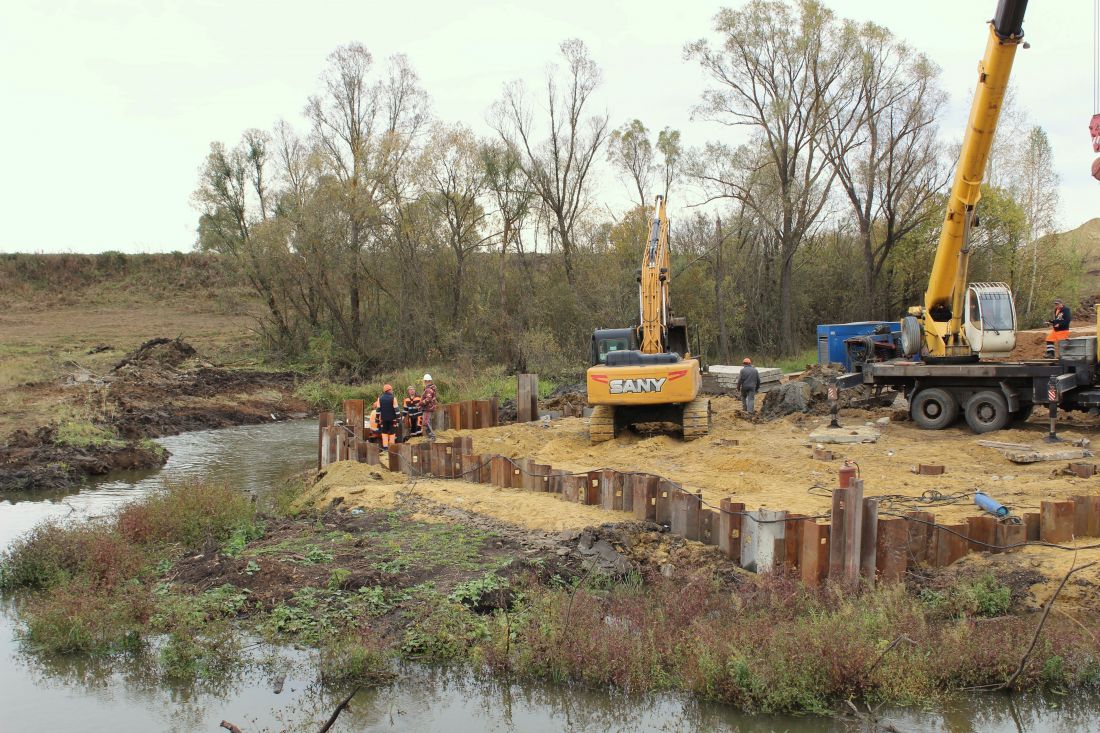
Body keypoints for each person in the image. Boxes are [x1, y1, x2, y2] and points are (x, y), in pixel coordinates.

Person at [377, 384, 400, 448]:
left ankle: (385, 447)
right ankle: (392, 447)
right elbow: (397, 410)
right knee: (392, 433)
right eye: (391, 390)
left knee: (384, 433)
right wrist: (398, 419)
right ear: (389, 390)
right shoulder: (393, 398)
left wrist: (377, 419)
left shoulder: (380, 399)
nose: (392, 391)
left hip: (383, 419)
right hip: (392, 419)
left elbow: (378, 410)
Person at [420, 373, 438, 441]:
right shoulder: (431, 388)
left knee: (426, 422)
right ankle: (429, 436)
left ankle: (432, 437)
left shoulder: (428, 389)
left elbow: (428, 399)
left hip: (427, 408)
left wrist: (420, 403)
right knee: (427, 422)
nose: (424, 382)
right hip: (429, 407)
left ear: (427, 381)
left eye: (424, 381)